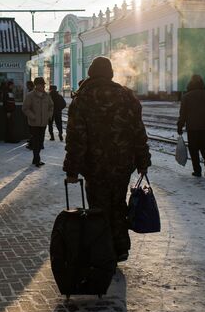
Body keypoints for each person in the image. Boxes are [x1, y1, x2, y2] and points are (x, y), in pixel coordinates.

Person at [63, 56, 151, 263]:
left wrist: (72, 169)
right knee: (118, 204)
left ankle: (102, 250)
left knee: (98, 207)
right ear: (110, 73)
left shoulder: (82, 99)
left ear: (91, 74)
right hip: (122, 164)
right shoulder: (126, 97)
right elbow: (138, 132)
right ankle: (120, 247)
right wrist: (143, 161)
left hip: (95, 166)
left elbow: (76, 137)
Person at [177, 74, 205, 177]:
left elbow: (182, 114)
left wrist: (180, 126)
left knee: (193, 149)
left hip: (192, 128)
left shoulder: (186, 97)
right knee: (204, 147)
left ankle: (197, 170)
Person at [22, 77, 54, 167]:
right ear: (37, 85)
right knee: (36, 141)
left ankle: (36, 158)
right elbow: (25, 108)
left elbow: (51, 106)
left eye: (44, 84)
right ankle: (36, 159)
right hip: (34, 123)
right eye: (42, 84)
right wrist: (33, 116)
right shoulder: (30, 96)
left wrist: (48, 115)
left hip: (43, 123)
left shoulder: (47, 95)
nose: (44, 86)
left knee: (40, 141)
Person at [25, 80, 35, 149]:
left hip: (32, 113)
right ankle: (32, 142)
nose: (26, 86)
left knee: (32, 130)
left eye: (27, 85)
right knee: (32, 130)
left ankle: (32, 144)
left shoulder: (31, 93)